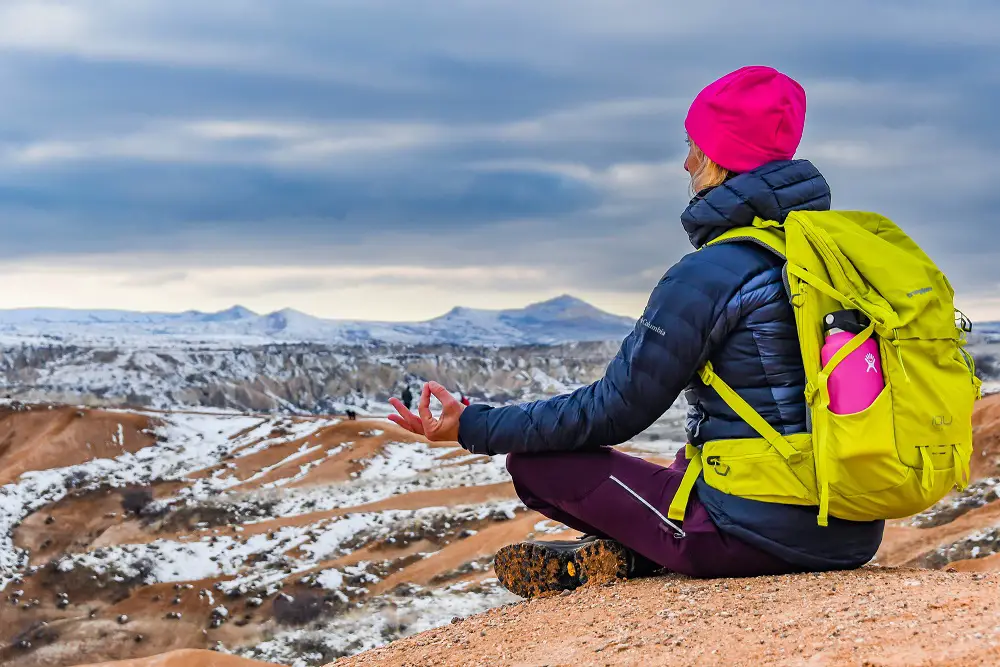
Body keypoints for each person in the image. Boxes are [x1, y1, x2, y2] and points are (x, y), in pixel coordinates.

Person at [389, 66, 884, 598]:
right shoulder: (833, 260)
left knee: (539, 465)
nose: (686, 161)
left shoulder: (714, 271)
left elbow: (614, 410)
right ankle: (644, 547)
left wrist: (474, 426)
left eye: (694, 145)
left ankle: (652, 550)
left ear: (719, 159)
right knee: (685, 461)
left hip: (756, 534)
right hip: (854, 526)